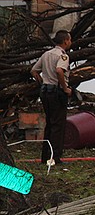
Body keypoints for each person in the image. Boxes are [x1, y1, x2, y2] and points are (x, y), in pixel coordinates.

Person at [30, 30, 72, 165]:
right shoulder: (62, 56)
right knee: (58, 125)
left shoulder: (46, 54)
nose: (70, 42)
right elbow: (60, 70)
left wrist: (42, 82)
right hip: (56, 92)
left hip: (45, 91)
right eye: (69, 40)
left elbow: (34, 70)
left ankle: (45, 156)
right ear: (65, 41)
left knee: (49, 123)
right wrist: (65, 88)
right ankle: (55, 157)